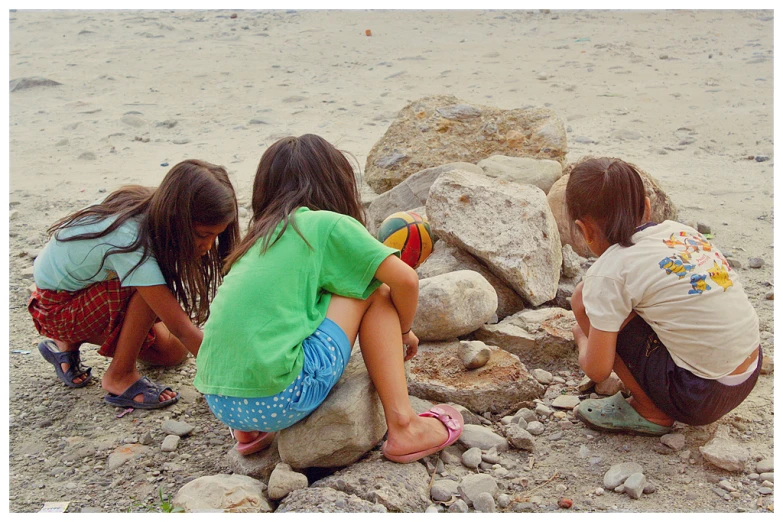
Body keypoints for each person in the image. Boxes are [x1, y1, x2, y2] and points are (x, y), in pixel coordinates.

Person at [193, 134, 463, 460]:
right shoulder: (327, 224)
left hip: (219, 400)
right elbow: (406, 280)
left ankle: (249, 431)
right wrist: (403, 331)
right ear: (336, 183)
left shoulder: (257, 240)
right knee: (376, 290)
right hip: (279, 397)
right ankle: (405, 427)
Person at [566, 157, 761, 435]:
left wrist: (583, 340)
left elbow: (597, 372)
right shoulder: (681, 232)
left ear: (584, 230)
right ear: (646, 208)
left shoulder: (608, 272)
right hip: (750, 371)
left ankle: (651, 411)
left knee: (584, 301)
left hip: (700, 398)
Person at [28, 160, 240, 409]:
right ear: (178, 218)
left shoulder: (153, 208)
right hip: (56, 307)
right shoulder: (132, 238)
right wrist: (234, 379)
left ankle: (66, 344)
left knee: (173, 352)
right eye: (203, 235)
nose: (207, 247)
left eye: (215, 236)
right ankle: (119, 375)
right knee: (151, 286)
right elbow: (182, 327)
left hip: (79, 291)